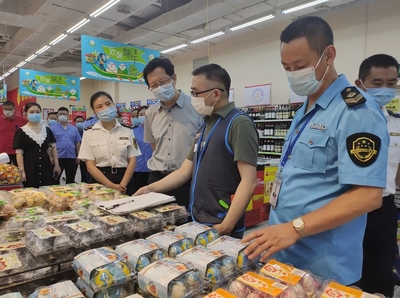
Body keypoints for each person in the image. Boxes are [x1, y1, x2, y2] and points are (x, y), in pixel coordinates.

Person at [242, 16, 389, 286]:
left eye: (300, 65)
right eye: (286, 67)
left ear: (329, 55)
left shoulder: (355, 111)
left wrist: (295, 228)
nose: (293, 73)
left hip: (323, 264)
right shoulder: (305, 109)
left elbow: (368, 195)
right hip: (285, 253)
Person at [136, 64, 258, 238]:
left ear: (215, 94)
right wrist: (150, 188)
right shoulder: (205, 125)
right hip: (199, 216)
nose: (192, 98)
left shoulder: (238, 123)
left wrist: (226, 225)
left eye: (195, 93)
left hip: (221, 220)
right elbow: (185, 171)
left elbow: (249, 181)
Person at [355, 54, 399, 297]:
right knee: (351, 273)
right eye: (377, 83)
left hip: (384, 210)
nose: (385, 89)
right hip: (351, 208)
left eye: (391, 83)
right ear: (360, 84)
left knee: (381, 274)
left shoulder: (396, 125)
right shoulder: (348, 121)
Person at [143, 57, 203, 208]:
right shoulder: (151, 113)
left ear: (174, 78)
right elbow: (154, 145)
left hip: (187, 181)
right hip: (157, 178)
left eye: (163, 82)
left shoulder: (197, 107)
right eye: (154, 85)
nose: (159, 87)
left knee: (186, 225)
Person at [78, 91, 141, 195]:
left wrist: (122, 185)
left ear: (113, 105)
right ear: (94, 112)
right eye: (99, 106)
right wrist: (112, 186)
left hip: (125, 180)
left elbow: (132, 161)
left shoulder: (127, 131)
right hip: (99, 182)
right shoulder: (89, 133)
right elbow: (90, 166)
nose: (105, 108)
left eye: (108, 104)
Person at [13, 103, 61, 188]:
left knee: (47, 189)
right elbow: (19, 153)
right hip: (29, 166)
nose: (35, 114)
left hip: (46, 165)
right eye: (31, 112)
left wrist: (56, 165)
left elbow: (53, 147)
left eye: (37, 112)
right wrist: (22, 171)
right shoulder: (21, 131)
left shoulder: (47, 130)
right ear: (26, 114)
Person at [51, 107, 81, 184]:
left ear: (68, 115)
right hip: (58, 158)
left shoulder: (74, 129)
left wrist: (78, 156)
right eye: (60, 114)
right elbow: (50, 144)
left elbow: (77, 143)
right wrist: (51, 157)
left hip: (71, 157)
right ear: (57, 115)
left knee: (71, 180)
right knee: (55, 180)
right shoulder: (52, 128)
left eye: (64, 114)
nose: (62, 116)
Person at [0, 100, 27, 165]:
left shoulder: (22, 120)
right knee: (4, 172)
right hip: (3, 151)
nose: (7, 111)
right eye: (5, 109)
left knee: (19, 171)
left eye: (9, 109)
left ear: (14, 109)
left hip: (18, 151)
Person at [133, 106, 153, 190]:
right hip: (137, 168)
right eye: (141, 114)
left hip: (152, 168)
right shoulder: (133, 131)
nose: (143, 116)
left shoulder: (156, 130)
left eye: (145, 114)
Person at [75, 116, 88, 183]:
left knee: (84, 174)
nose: (79, 123)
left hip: (84, 155)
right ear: (75, 123)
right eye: (78, 122)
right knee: (72, 174)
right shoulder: (73, 131)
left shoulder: (86, 131)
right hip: (74, 155)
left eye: (81, 122)